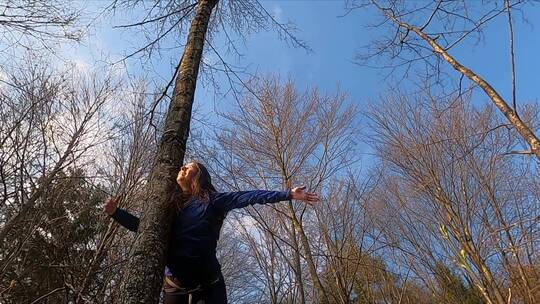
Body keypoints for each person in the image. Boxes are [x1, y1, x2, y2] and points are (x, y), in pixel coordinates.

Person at [103, 161, 319, 304]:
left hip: (210, 285)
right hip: (175, 287)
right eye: (183, 166)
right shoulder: (170, 207)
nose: (183, 168)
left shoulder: (213, 200)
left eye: (189, 167)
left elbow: (250, 196)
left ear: (199, 175)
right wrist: (116, 213)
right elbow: (147, 230)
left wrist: (289, 194)